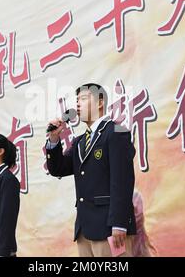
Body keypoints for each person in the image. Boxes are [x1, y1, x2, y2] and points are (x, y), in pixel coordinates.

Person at [46, 83, 136, 257]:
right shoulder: (80, 141)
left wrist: (119, 223)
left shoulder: (117, 131)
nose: (77, 104)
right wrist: (54, 139)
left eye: (84, 99)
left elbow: (122, 180)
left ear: (100, 103)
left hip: (109, 227)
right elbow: (58, 168)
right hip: (85, 228)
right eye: (77, 100)